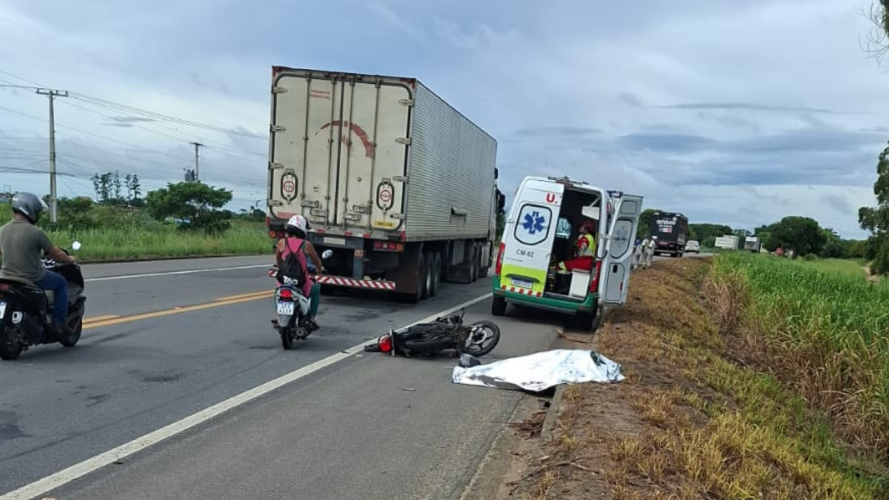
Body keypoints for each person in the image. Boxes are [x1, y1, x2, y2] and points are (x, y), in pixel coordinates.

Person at [0, 192, 76, 338]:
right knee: (61, 283)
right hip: (32, 277)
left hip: (6, 276)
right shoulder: (36, 232)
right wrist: (69, 259)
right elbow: (56, 254)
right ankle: (59, 322)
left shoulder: (3, 230)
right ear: (30, 209)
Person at [275, 215, 324, 329]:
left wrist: (281, 266)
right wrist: (319, 269)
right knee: (316, 289)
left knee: (277, 292)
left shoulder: (282, 242)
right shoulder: (306, 245)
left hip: (284, 280)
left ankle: (279, 316)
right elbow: (316, 261)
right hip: (301, 282)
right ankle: (311, 317)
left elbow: (278, 260)